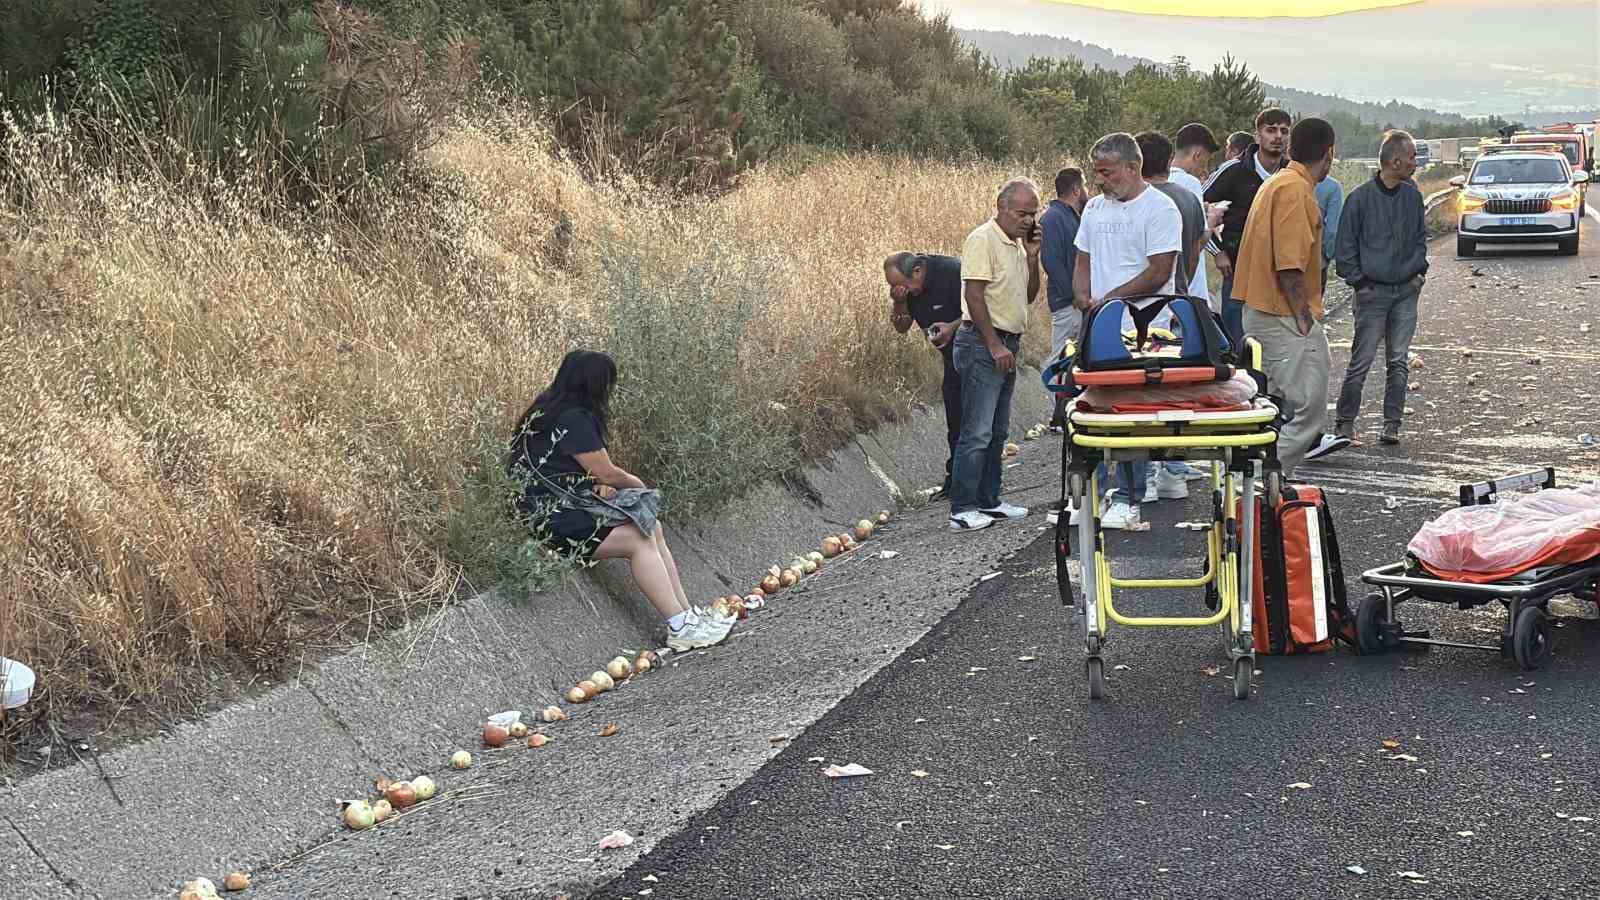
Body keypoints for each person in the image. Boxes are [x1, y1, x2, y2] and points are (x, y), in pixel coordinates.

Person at [507, 350, 734, 651]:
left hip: (549, 508)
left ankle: (689, 617)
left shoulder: (545, 410)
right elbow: (608, 473)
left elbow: (561, 467)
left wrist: (596, 484)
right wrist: (637, 486)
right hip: (554, 518)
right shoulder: (574, 418)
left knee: (651, 527)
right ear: (598, 386)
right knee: (638, 540)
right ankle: (680, 625)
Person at [1072, 132, 1183, 530]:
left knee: (1130, 413)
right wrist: (1083, 297)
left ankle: (1129, 497)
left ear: (1132, 168)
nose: (1099, 181)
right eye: (1097, 172)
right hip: (1099, 325)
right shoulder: (1094, 210)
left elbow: (1159, 271)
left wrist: (1109, 301)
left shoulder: (1160, 209)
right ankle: (1092, 496)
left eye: (1106, 173)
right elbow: (1082, 256)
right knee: (1096, 409)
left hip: (1145, 327)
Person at [1232, 117, 1347, 478]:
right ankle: (1264, 478)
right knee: (1308, 408)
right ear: (1328, 154)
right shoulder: (1295, 191)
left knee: (1275, 405)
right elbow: (1289, 265)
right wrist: (1302, 315)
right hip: (1281, 313)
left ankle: (1266, 481)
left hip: (1261, 310)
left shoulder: (1279, 182)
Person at [949, 178, 1042, 532]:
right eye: (1022, 213)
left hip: (1008, 341)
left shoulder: (1018, 246)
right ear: (1000, 207)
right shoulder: (983, 239)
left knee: (998, 430)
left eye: (1033, 214)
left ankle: (990, 500)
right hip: (983, 341)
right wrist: (993, 344)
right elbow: (974, 296)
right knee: (977, 430)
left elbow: (1030, 295)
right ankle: (963, 506)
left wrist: (1034, 258)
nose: (1028, 221)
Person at [1333, 129, 1429, 447]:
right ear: (1396, 160)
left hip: (1405, 291)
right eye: (1413, 157)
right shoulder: (1359, 199)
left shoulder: (1412, 196)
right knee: (1361, 360)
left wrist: (1418, 275)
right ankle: (1345, 424)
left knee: (1398, 361)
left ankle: (1392, 425)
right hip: (1372, 293)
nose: (1416, 163)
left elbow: (1420, 238)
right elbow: (1344, 246)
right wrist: (1359, 282)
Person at [1205, 109, 1292, 349]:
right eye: (1271, 130)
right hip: (1236, 266)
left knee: (1274, 340)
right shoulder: (1233, 170)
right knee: (1236, 338)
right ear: (1258, 135)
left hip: (1278, 271)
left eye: (1284, 131)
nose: (1278, 136)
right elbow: (1198, 208)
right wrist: (1217, 251)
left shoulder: (1292, 174)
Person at [884, 252, 964, 500]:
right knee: (955, 420)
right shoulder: (907, 293)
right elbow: (901, 327)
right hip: (950, 358)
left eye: (904, 285)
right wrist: (899, 303)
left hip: (976, 349)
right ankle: (956, 481)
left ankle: (981, 480)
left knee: (980, 423)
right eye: (895, 288)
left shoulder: (951, 271)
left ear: (918, 271)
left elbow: (982, 305)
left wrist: (953, 327)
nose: (903, 291)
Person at [1039, 168, 1087, 433]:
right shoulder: (1053, 218)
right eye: (1085, 187)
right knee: (1059, 358)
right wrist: (1073, 295)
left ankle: (1070, 409)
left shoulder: (1071, 217)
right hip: (1067, 303)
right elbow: (1051, 261)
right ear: (1076, 189)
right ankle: (1058, 414)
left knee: (1077, 357)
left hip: (1077, 301)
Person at [1169, 123, 1220, 312]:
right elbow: (1197, 241)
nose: (1203, 170)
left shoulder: (1158, 182)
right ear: (1197, 155)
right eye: (1205, 162)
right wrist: (1212, 220)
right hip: (1189, 292)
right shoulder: (1189, 183)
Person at [1315, 173, 1344, 297]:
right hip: (1317, 259)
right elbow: (1332, 230)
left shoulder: (1279, 179)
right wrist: (1329, 254)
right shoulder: (1332, 187)